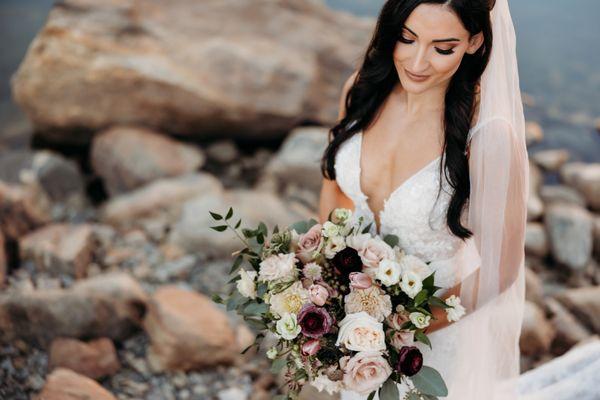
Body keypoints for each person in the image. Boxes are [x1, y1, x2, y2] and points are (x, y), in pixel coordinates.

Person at [318, 0, 529, 399]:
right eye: (407, 38)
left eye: (442, 48)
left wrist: (395, 331)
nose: (417, 62)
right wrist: (327, 285)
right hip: (353, 322)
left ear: (474, 42)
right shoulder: (362, 89)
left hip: (434, 339)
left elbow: (500, 270)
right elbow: (333, 186)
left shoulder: (488, 136)